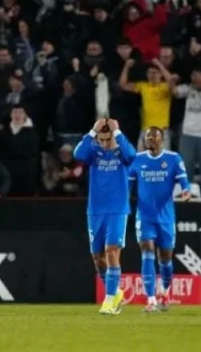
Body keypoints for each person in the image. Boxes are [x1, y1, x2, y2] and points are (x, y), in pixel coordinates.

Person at [73, 118, 136, 315]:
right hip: (95, 210)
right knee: (98, 258)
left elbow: (132, 155)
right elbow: (77, 154)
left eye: (109, 139)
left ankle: (108, 301)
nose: (106, 143)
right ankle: (116, 293)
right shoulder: (93, 151)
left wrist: (118, 133)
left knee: (111, 251)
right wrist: (93, 131)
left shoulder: (121, 152)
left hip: (117, 209)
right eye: (102, 139)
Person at [128, 127, 189, 312]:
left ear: (161, 140)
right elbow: (127, 186)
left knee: (165, 259)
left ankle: (165, 291)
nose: (150, 140)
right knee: (147, 252)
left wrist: (186, 191)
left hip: (166, 218)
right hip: (145, 216)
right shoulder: (137, 160)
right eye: (147, 137)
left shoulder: (173, 159)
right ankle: (151, 300)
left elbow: (184, 181)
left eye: (153, 137)